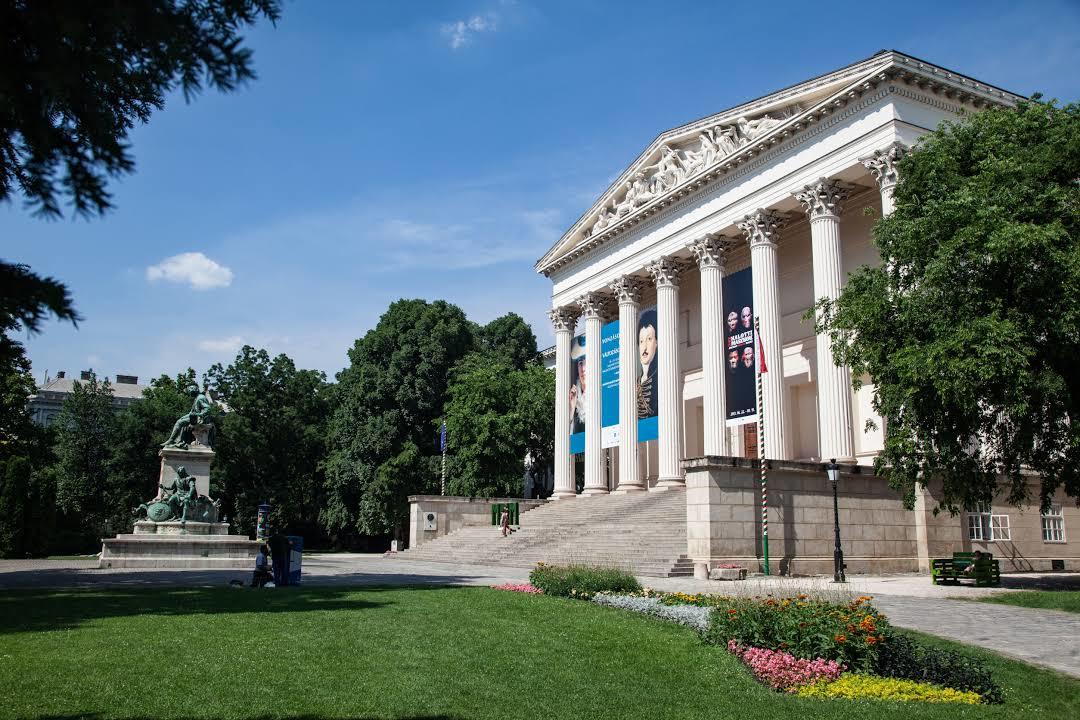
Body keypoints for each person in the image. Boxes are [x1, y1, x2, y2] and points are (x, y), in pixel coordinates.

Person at [637, 309, 658, 418]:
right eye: (641, 341)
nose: (644, 348)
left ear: (656, 342)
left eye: (649, 339)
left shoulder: (658, 376)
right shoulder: (636, 381)